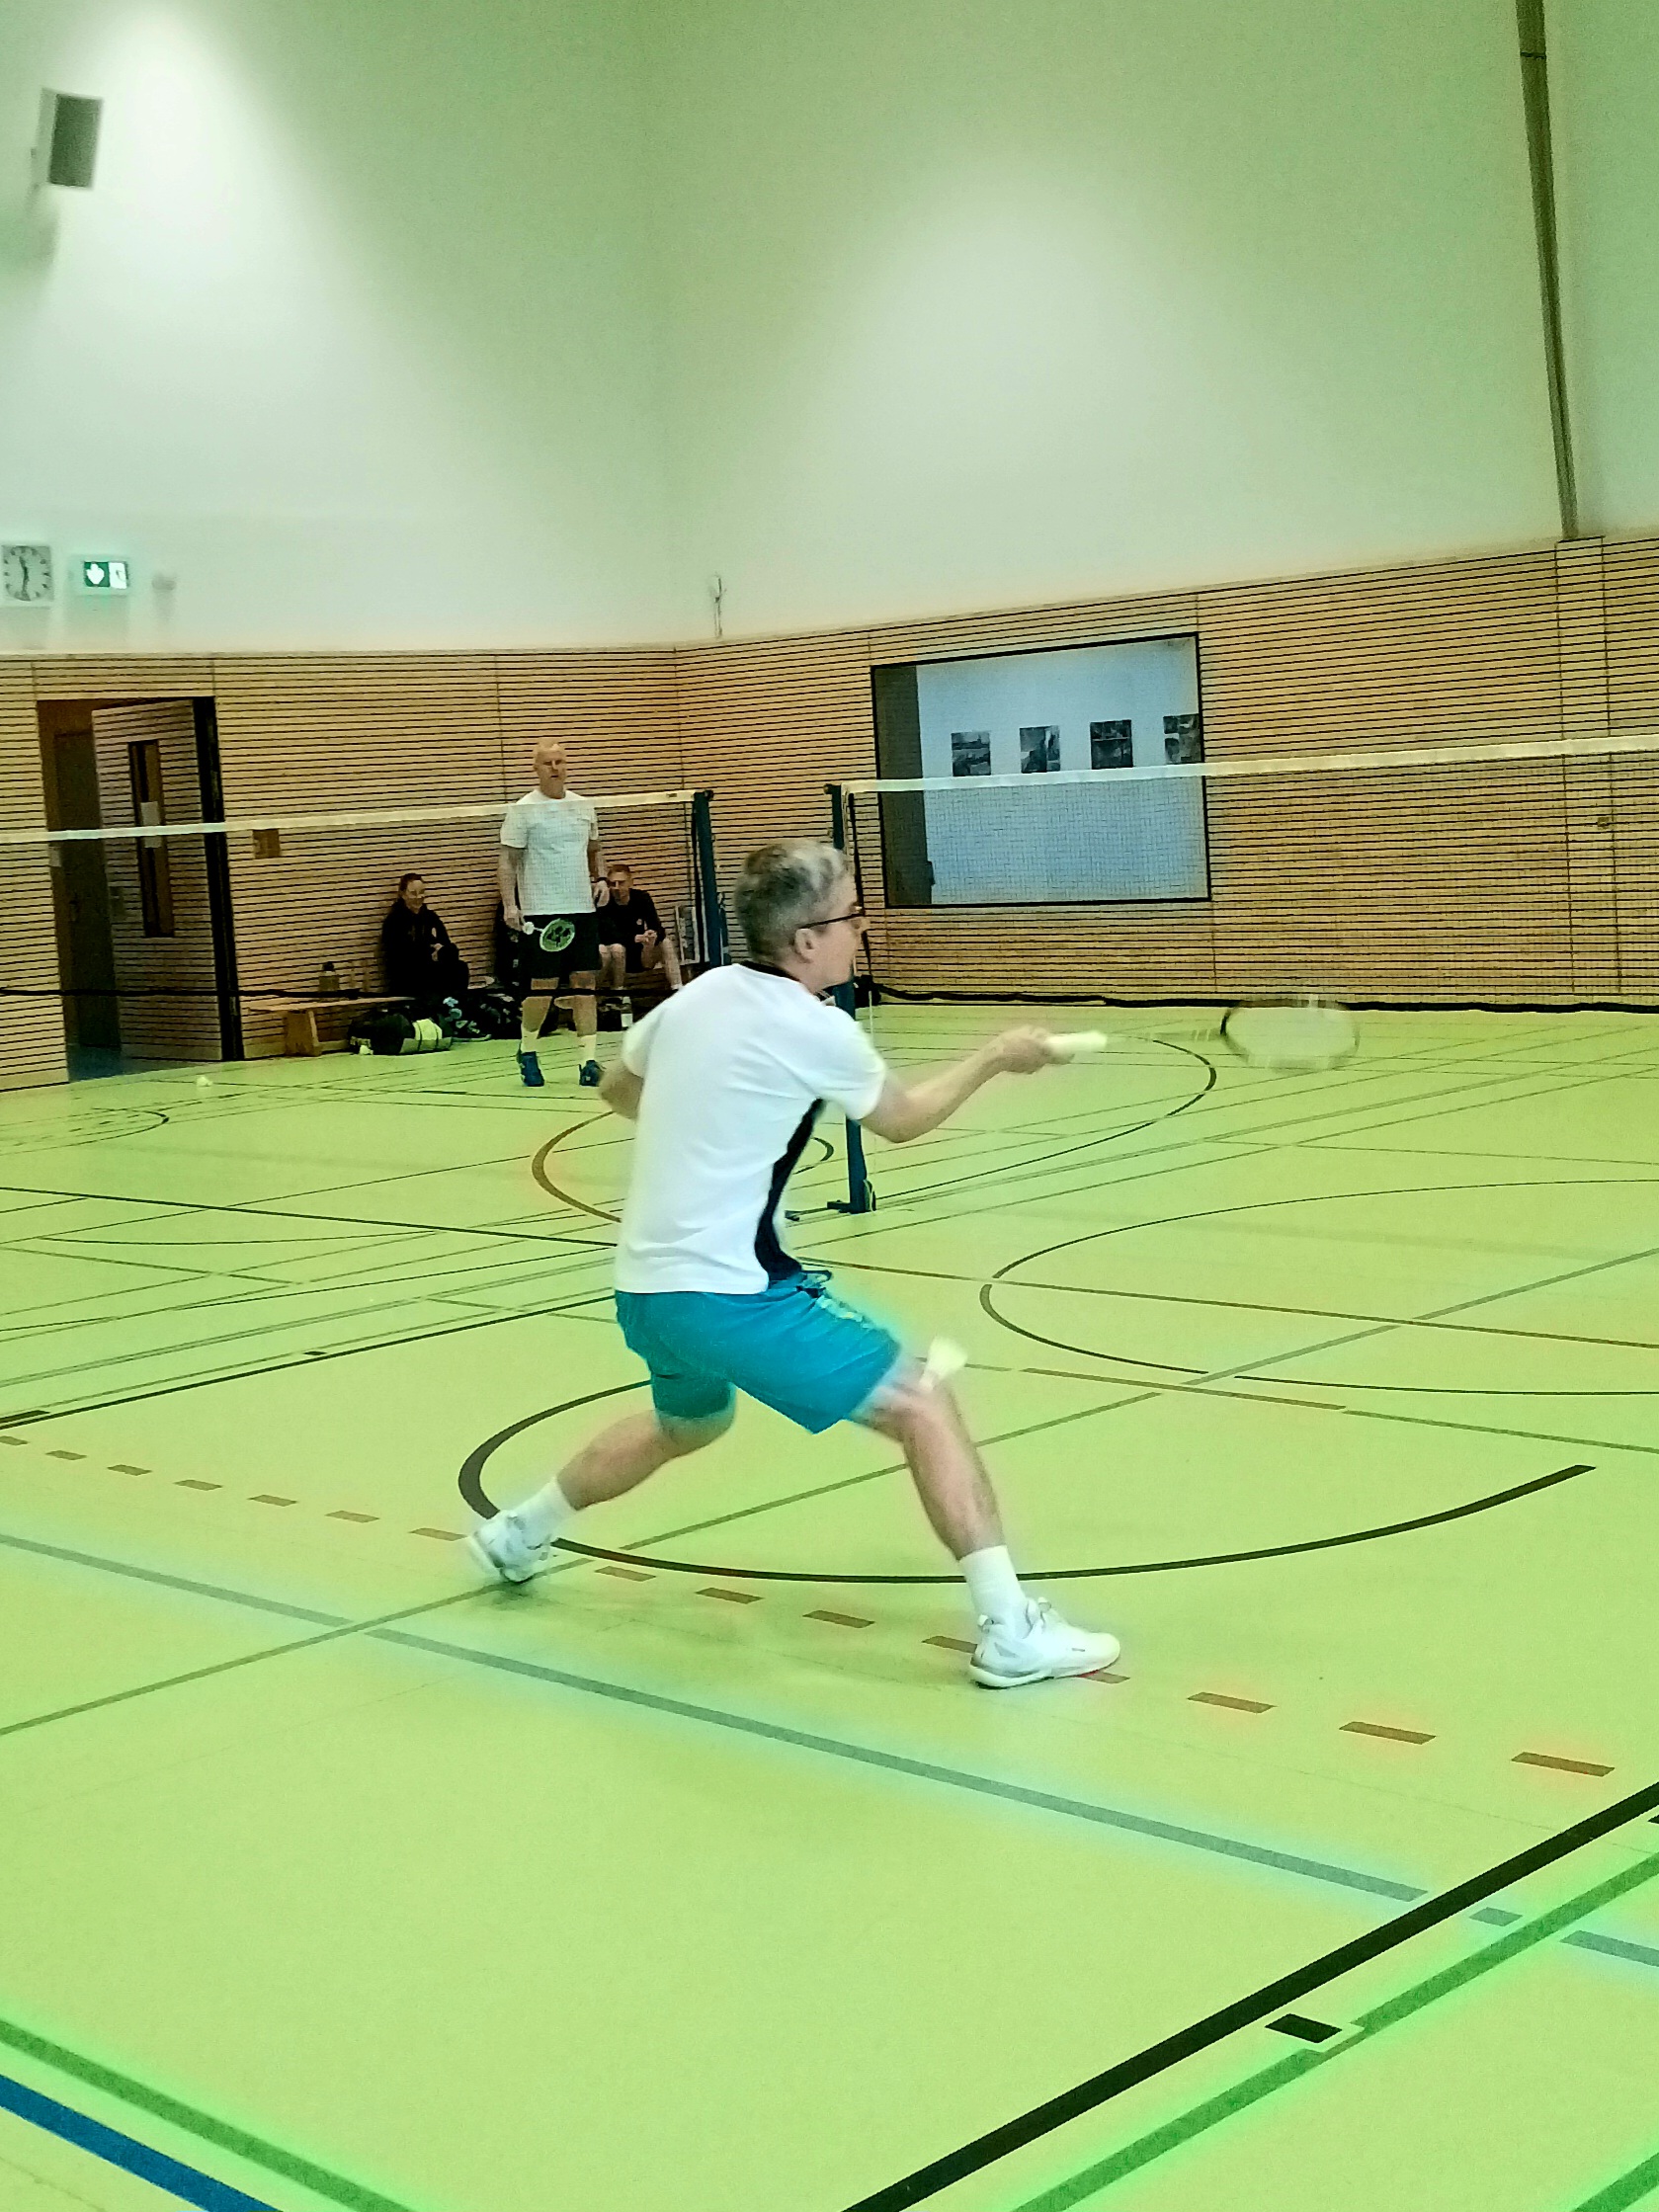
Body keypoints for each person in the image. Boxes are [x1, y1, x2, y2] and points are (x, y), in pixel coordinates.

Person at [469, 837, 1121, 1690]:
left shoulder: (698, 995)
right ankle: (1008, 1630)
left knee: (689, 1423)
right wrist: (996, 1058)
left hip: (646, 1288)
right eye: (851, 915)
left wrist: (708, 1126)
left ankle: (519, 1531)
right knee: (923, 1401)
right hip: (729, 1294)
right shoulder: (818, 1029)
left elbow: (618, 1089)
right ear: (806, 939)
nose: (860, 928)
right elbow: (901, 1119)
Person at [498, 739, 605, 1089]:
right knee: (542, 987)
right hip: (542, 912)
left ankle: (588, 1061)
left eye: (560, 761)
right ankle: (528, 1050)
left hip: (582, 910)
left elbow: (595, 850)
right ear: (536, 769)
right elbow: (507, 861)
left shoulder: (583, 806)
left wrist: (601, 879)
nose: (555, 768)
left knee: (585, 984)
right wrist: (510, 904)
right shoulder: (523, 810)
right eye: (548, 763)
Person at [597, 863, 683, 1012]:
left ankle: (678, 989)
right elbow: (607, 934)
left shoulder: (642, 898)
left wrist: (652, 935)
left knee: (666, 943)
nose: (616, 888)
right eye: (612, 884)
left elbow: (657, 926)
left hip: (641, 953)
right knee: (617, 948)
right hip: (618, 955)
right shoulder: (605, 903)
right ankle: (618, 991)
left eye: (621, 883)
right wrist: (633, 938)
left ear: (630, 882)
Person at [379, 874, 468, 1003]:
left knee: (460, 968)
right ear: (403, 895)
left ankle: (456, 1008)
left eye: (421, 892)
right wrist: (430, 952)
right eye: (413, 893)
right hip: (409, 975)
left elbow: (446, 945)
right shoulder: (394, 921)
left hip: (434, 968)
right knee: (431, 978)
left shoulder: (430, 917)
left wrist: (442, 951)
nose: (418, 897)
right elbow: (399, 957)